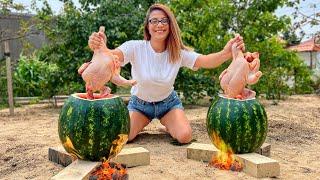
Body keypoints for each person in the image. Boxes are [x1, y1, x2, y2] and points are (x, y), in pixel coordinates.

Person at [88, 3, 245, 143]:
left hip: (168, 104)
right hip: (139, 105)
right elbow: (111, 56)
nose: (159, 25)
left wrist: (226, 52)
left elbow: (205, 61)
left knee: (185, 136)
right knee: (124, 137)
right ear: (148, 27)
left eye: (164, 20)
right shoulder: (135, 47)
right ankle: (141, 123)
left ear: (170, 25)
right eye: (154, 21)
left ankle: (169, 125)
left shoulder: (177, 52)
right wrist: (100, 46)